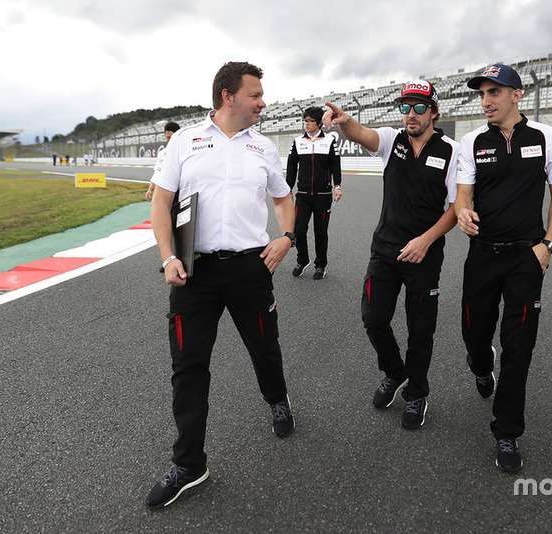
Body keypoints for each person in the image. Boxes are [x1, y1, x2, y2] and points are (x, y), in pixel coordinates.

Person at [146, 61, 296, 508]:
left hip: (251, 269)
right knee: (188, 368)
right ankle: (190, 464)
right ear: (228, 96)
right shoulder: (185, 142)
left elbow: (283, 197)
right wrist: (168, 256)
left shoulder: (264, 147)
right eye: (255, 95)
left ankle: (277, 399)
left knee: (264, 346)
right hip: (194, 272)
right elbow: (162, 202)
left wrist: (286, 237)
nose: (262, 103)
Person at [323, 80, 459, 430]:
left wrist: (425, 240)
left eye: (418, 107)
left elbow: (458, 208)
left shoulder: (452, 151)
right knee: (373, 318)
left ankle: (416, 393)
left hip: (424, 255)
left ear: (433, 112)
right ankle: (394, 372)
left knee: (420, 329)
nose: (410, 115)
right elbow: (360, 133)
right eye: (405, 107)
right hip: (384, 250)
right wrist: (344, 120)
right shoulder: (391, 140)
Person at [454, 63, 552, 472]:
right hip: (482, 255)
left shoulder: (545, 137)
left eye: (494, 93)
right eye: (482, 94)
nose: (485, 101)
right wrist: (464, 213)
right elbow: (462, 196)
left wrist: (547, 247)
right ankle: (481, 365)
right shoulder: (470, 142)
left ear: (516, 95)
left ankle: (507, 432)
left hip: (527, 257)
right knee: (474, 335)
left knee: (518, 348)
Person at [286, 106, 343, 280]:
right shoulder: (297, 142)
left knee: (320, 232)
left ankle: (320, 265)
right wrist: (287, 189)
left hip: (323, 196)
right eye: (305, 120)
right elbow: (291, 167)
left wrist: (337, 185)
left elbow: (335, 165)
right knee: (299, 229)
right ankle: (302, 260)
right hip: (302, 195)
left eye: (310, 121)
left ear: (319, 123)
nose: (307, 124)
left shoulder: (329, 141)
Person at [146, 121, 181, 201]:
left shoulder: (185, 151)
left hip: (183, 192)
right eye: (168, 137)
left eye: (172, 137)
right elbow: (158, 172)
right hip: (168, 191)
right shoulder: (162, 153)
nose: (170, 140)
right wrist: (150, 189)